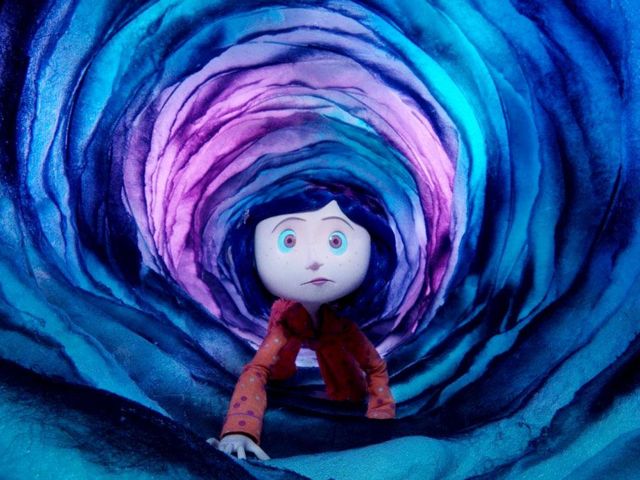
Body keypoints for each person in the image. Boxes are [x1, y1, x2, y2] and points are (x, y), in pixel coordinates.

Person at [208, 186, 397, 460]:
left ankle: (344, 399)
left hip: (331, 337)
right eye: (289, 240)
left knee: (348, 390)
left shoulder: (341, 327)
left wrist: (381, 413)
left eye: (336, 241)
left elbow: (374, 366)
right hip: (290, 327)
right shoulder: (285, 323)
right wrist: (240, 429)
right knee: (277, 369)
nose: (314, 261)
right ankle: (286, 376)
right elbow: (256, 370)